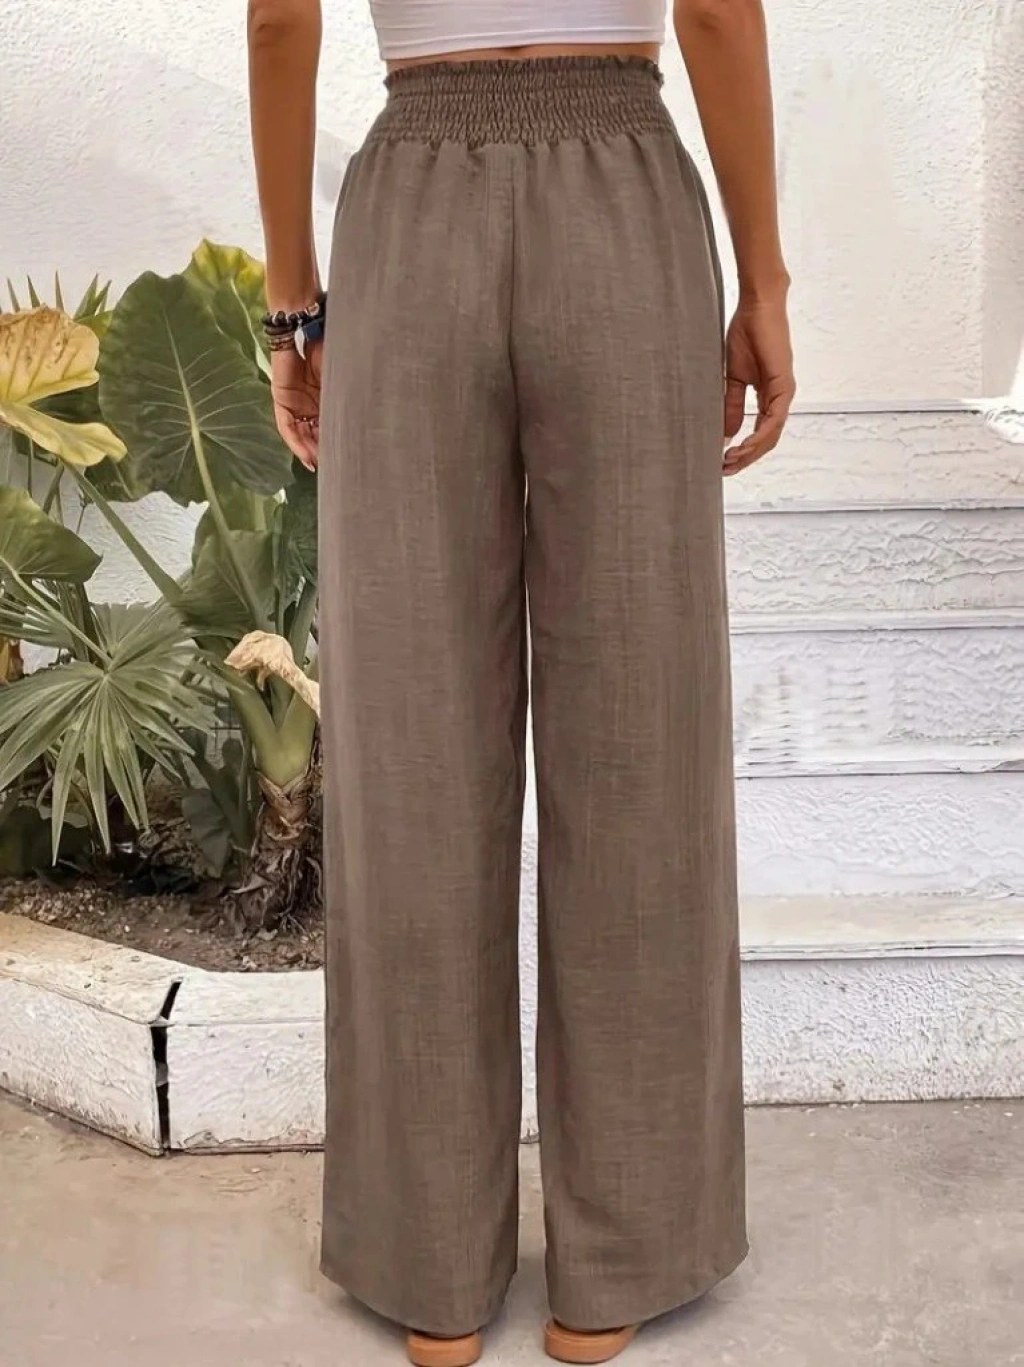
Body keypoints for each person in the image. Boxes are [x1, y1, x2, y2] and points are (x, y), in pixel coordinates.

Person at [247, 0, 794, 1362]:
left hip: (411, 215)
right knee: (645, 731)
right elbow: (716, 10)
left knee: (412, 743)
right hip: (624, 194)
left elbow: (277, 20)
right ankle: (626, 1257)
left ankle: (429, 1268)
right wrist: (764, 283)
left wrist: (293, 305)